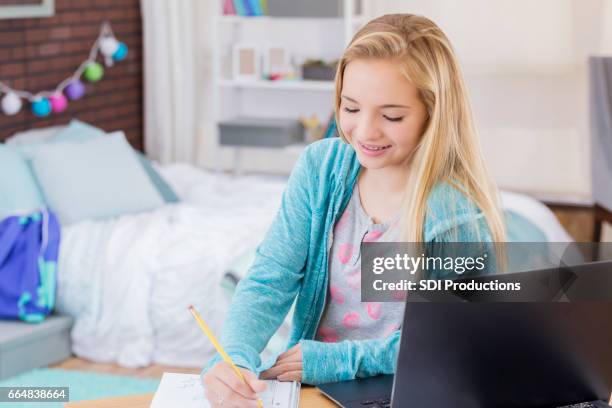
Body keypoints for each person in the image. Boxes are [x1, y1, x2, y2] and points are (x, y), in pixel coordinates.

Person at [202, 13, 506, 407]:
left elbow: (460, 341)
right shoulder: (320, 169)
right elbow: (270, 279)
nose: (364, 131)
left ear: (434, 114)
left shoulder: (457, 217)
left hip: (407, 393)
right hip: (312, 390)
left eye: (392, 116)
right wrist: (234, 357)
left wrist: (336, 360)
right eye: (350, 108)